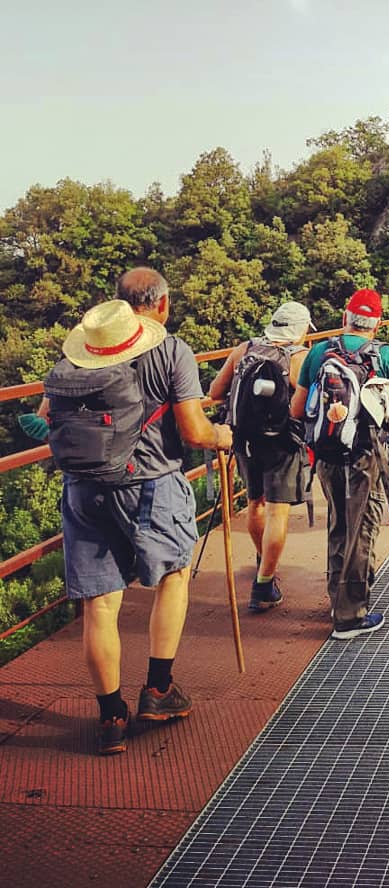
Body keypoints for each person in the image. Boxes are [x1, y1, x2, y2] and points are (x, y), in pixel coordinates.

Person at [48, 269, 232, 755]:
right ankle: (157, 689)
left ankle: (111, 718)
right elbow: (194, 432)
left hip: (84, 490)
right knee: (173, 575)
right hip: (151, 484)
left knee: (99, 604)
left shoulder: (79, 356)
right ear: (163, 305)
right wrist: (222, 436)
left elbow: (49, 418)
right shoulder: (171, 350)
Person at [290, 289, 389, 639]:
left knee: (339, 523)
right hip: (366, 453)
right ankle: (349, 615)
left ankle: (337, 598)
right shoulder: (387, 356)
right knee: (362, 528)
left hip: (327, 454)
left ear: (346, 317)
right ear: (376, 325)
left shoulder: (318, 352)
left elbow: (297, 410)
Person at [208, 300, 313, 611]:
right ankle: (264, 584)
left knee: (255, 503)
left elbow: (215, 391)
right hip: (282, 442)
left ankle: (263, 563)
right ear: (301, 330)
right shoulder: (300, 358)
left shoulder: (244, 349)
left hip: (244, 439)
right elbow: (311, 400)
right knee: (278, 513)